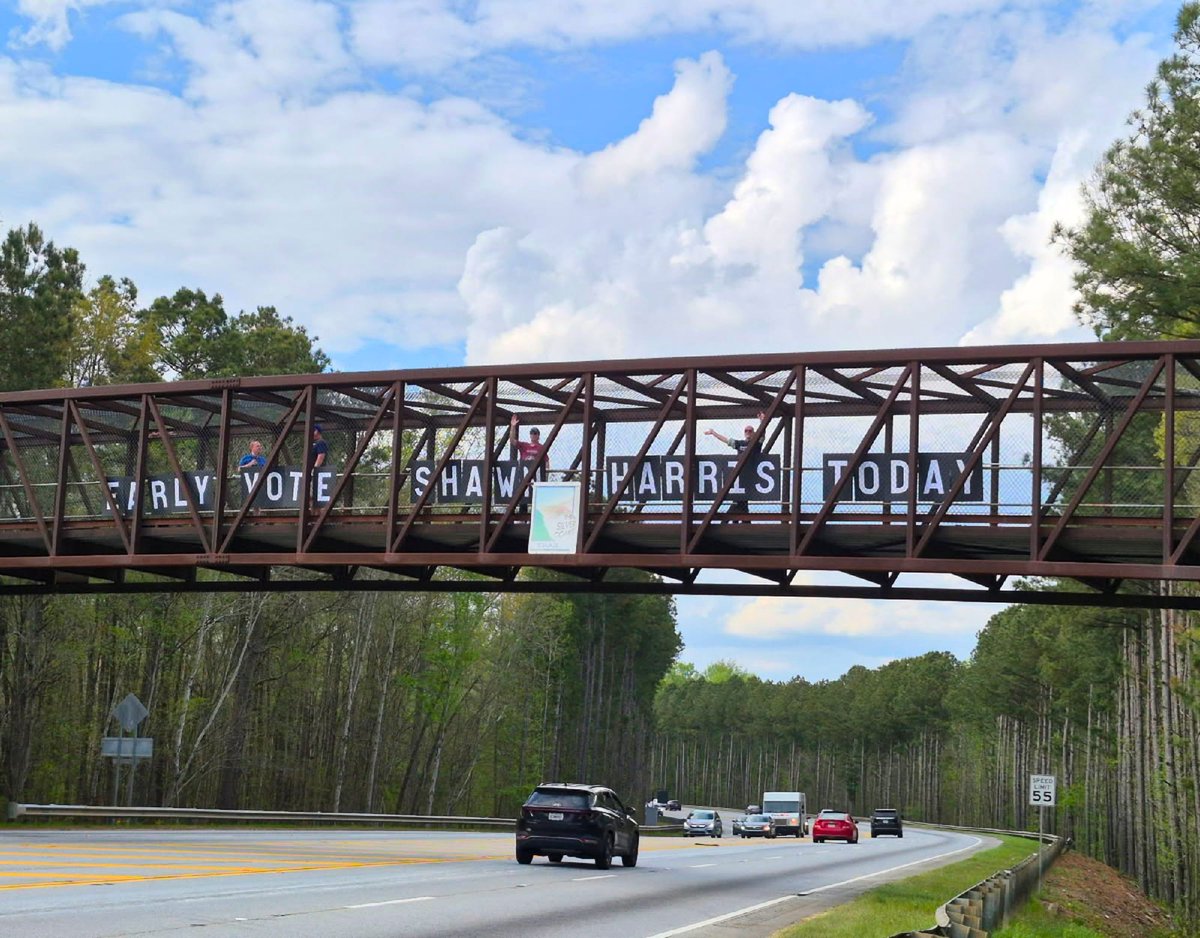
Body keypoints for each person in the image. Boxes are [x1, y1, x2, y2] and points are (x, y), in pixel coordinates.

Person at [705, 411, 766, 521]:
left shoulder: (757, 444)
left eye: (750, 431)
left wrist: (762, 422)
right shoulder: (740, 444)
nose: (748, 432)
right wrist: (714, 433)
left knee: (739, 500)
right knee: (741, 501)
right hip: (739, 476)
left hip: (751, 476)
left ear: (753, 433)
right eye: (746, 430)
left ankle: (730, 521)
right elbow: (726, 440)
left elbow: (762, 434)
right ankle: (742, 522)